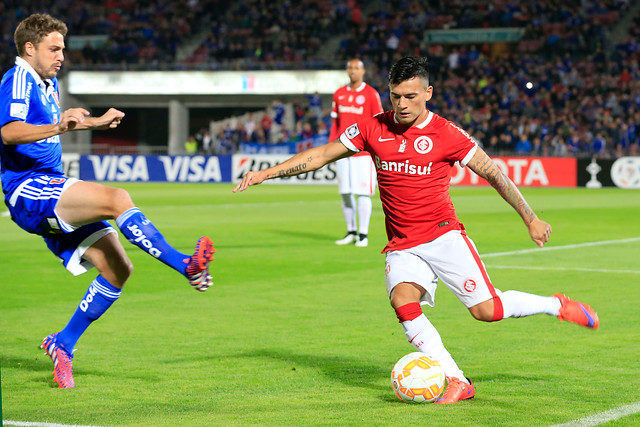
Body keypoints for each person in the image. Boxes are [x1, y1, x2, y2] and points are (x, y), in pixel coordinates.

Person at [234, 56, 599, 404]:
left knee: (487, 311)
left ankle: (555, 305)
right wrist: (265, 173)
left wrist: (530, 217)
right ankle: (456, 379)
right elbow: (323, 155)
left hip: (444, 237)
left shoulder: (447, 133)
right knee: (403, 302)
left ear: (428, 93)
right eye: (396, 96)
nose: (402, 104)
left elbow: (493, 173)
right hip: (403, 244)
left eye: (411, 96)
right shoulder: (372, 127)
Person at [0, 14, 215, 389]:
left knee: (118, 269)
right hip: (28, 189)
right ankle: (186, 265)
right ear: (29, 48)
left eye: (63, 48)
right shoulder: (17, 78)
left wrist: (94, 122)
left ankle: (62, 344)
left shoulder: (45, 83)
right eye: (55, 48)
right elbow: (9, 131)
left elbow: (61, 124)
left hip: (51, 187)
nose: (62, 55)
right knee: (117, 198)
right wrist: (59, 126)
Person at [329, 59, 383, 247]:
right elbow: (335, 124)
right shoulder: (339, 93)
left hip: (363, 153)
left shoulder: (371, 94)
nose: (353, 71)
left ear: (363, 71)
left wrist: (377, 148)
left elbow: (378, 122)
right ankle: (351, 231)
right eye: (350, 68)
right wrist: (330, 148)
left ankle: (363, 234)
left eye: (356, 68)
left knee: (362, 194)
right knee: (345, 193)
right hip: (342, 150)